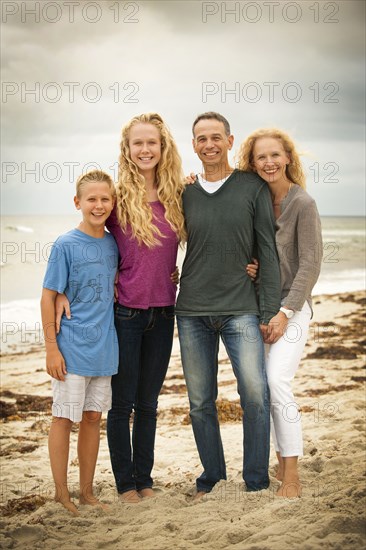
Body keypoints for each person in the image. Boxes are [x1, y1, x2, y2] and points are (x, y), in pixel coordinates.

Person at [56, 113, 185, 503]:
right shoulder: (116, 197)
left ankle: (144, 480)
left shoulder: (178, 193)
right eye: (137, 143)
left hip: (165, 312)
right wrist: (63, 290)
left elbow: (209, 235)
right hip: (125, 314)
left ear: (163, 148)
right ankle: (124, 484)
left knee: (149, 403)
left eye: (152, 143)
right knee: (122, 403)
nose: (145, 150)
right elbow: (86, 240)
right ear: (127, 149)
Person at [175, 112, 282, 498]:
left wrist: (270, 309)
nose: (209, 144)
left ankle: (255, 479)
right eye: (201, 138)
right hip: (191, 312)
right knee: (201, 401)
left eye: (216, 137)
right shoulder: (182, 191)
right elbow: (156, 240)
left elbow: (267, 251)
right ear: (193, 145)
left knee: (255, 393)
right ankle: (213, 478)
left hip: (241, 307)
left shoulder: (252, 186)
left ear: (230, 140)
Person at [238, 128, 322, 498]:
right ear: (252, 164)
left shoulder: (303, 204)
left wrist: (286, 311)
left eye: (275, 155)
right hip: (257, 307)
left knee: (277, 382)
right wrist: (252, 267)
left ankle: (292, 473)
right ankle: (278, 457)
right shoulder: (252, 201)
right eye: (261, 157)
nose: (269, 162)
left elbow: (310, 264)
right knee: (261, 388)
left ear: (287, 157)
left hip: (293, 307)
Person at [41, 170, 119, 515]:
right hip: (70, 347)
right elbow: (48, 297)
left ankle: (86, 492)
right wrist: (51, 348)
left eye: (105, 199)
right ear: (78, 203)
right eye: (91, 199)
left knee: (92, 419)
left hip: (105, 347)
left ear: (112, 203)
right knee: (63, 418)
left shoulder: (113, 242)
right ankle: (62, 492)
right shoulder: (65, 244)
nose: (98, 205)